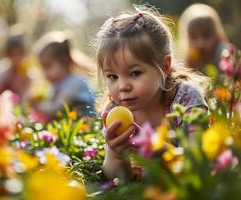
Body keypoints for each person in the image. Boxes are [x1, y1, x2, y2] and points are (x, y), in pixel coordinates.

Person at [94, 6, 209, 180]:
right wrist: (115, 154)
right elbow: (115, 176)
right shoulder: (115, 113)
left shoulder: (186, 98)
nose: (122, 86)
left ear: (164, 66)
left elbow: (199, 161)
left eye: (135, 73)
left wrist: (158, 149)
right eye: (112, 76)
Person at [31, 31, 95, 119]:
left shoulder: (75, 82)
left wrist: (37, 106)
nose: (45, 73)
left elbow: (57, 108)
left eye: (48, 66)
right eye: (42, 68)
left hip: (86, 127)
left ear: (65, 61)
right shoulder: (56, 85)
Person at [179, 3, 233, 73]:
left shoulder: (224, 54)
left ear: (216, 34)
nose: (200, 43)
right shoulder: (190, 60)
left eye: (206, 35)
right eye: (193, 37)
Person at [0, 31, 31, 102]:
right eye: (13, 54)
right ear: (7, 54)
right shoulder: (3, 69)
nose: (16, 58)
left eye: (20, 54)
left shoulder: (27, 74)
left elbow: (26, 97)